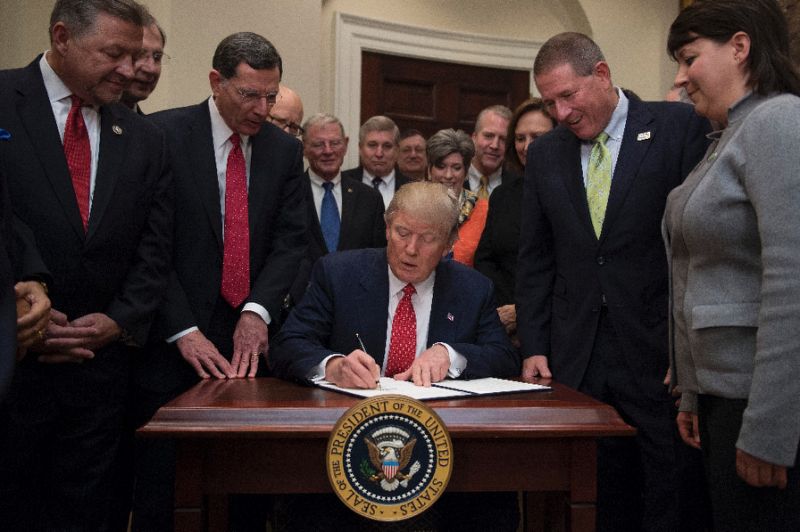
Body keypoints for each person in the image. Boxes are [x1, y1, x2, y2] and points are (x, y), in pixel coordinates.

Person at [515, 32, 710, 532]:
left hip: (655, 349)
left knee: (667, 487)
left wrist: (686, 347)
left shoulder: (677, 128)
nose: (559, 113)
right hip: (577, 353)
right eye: (548, 101)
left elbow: (695, 249)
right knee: (595, 493)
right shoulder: (545, 155)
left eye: (568, 96)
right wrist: (534, 343)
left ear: (601, 75)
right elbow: (536, 258)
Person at [0, 0, 173, 529]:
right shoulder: (4, 100)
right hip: (14, 370)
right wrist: (19, 307)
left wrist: (120, 320)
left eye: (138, 55)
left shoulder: (143, 135)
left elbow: (155, 244)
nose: (131, 70)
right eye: (115, 54)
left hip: (100, 377)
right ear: (62, 38)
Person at [132, 32, 306, 530]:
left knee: (244, 486)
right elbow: (148, 245)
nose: (261, 108)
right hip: (171, 339)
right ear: (216, 81)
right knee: (162, 490)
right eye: (249, 94)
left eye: (270, 96)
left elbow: (289, 243)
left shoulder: (282, 151)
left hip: (248, 344)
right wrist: (182, 329)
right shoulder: (163, 135)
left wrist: (258, 311)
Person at [665, 1, 800, 529]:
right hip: (724, 402)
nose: (679, 78)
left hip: (759, 406)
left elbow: (790, 282)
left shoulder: (778, 121)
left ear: (740, 48)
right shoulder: (727, 137)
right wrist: (694, 390)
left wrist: (769, 429)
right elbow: (704, 275)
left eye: (689, 57)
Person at [272, 180, 518, 386]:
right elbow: (287, 345)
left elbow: (504, 356)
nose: (411, 249)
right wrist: (334, 367)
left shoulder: (472, 288)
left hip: (439, 421)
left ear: (448, 245)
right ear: (387, 228)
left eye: (428, 239)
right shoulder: (338, 274)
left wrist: (450, 355)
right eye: (402, 233)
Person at [285, 113, 386, 310]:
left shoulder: (369, 198)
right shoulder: (289, 193)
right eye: (318, 144)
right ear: (304, 147)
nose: (328, 151)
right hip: (301, 306)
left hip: (356, 306)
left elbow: (379, 258)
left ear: (346, 144)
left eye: (335, 143)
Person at [475, 98, 555, 340]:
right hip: (503, 325)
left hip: (553, 326)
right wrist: (506, 308)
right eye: (520, 138)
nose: (527, 146)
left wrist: (523, 310)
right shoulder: (503, 194)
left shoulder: (572, 193)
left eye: (537, 138)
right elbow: (485, 259)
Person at [424, 128, 486, 267]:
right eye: (441, 167)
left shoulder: (484, 211)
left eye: (456, 167)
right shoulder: (412, 205)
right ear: (429, 170)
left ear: (466, 172)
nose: (448, 175)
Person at [342, 115, 410, 207]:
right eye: (372, 145)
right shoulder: (342, 182)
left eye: (387, 146)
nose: (379, 154)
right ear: (360, 148)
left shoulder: (412, 188)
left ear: (397, 150)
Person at [120, 12, 166, 113]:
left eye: (157, 57)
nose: (151, 69)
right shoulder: (82, 124)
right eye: (139, 54)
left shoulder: (151, 128)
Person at [466, 105, 513, 197]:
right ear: (474, 138)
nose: (495, 145)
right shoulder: (452, 178)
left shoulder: (519, 186)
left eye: (503, 139)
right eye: (488, 136)